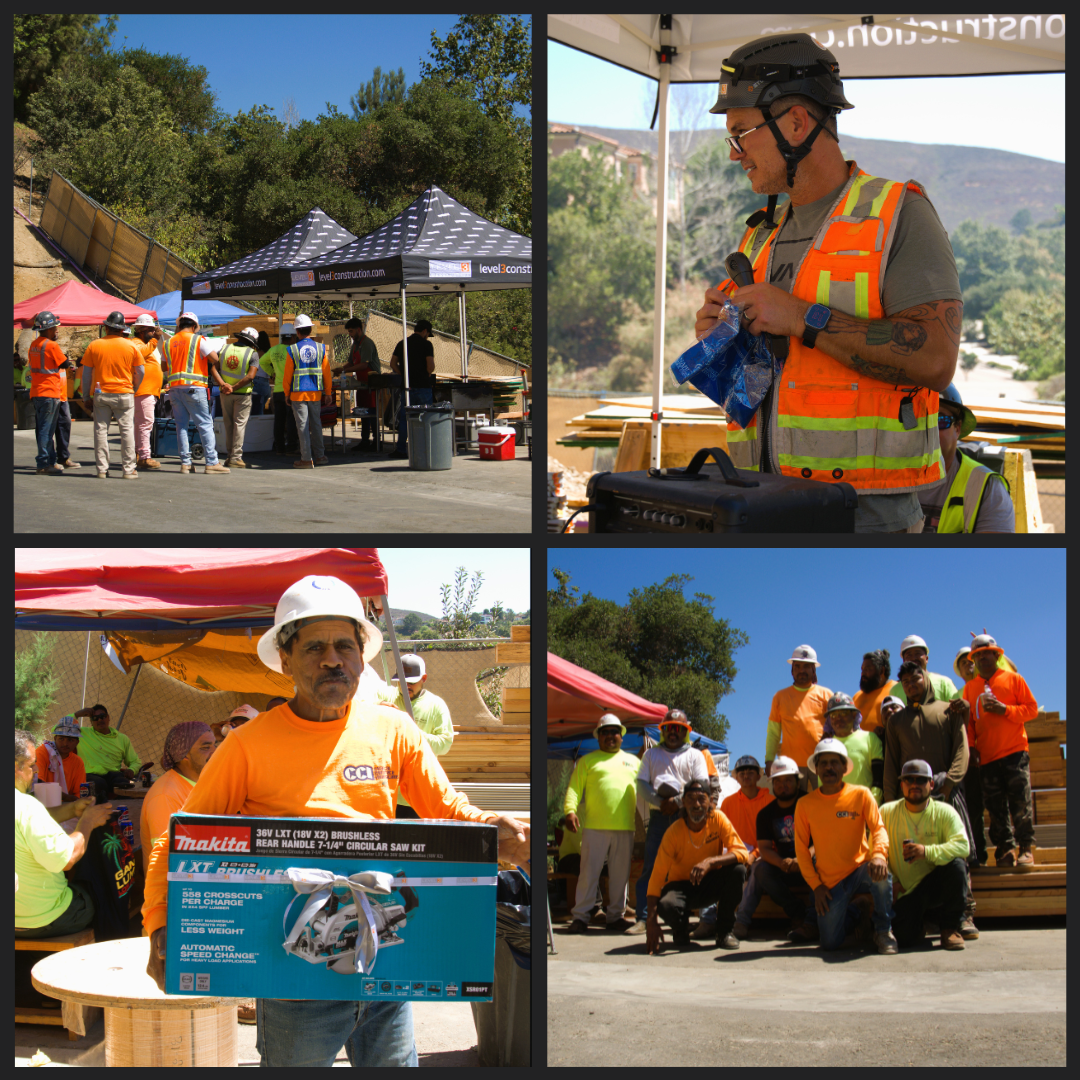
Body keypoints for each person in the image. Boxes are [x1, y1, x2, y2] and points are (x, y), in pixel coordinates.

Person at [141, 574, 529, 1067]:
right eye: (314, 647)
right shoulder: (246, 746)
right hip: (292, 975)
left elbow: (449, 811)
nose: (332, 659)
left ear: (361, 657)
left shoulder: (393, 730)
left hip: (385, 963)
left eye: (345, 645)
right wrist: (158, 923)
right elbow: (178, 839)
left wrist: (495, 828)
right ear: (285, 659)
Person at [696, 33, 960, 534]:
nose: (734, 154)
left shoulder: (899, 214)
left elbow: (935, 360)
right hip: (760, 504)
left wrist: (800, 316)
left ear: (796, 122)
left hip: (865, 518)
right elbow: (768, 389)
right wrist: (720, 343)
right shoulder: (758, 237)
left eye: (741, 134)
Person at [884, 661, 979, 939]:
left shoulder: (948, 710)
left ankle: (963, 915)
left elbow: (962, 749)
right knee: (913, 856)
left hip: (947, 791)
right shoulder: (896, 721)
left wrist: (950, 782)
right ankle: (925, 915)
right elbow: (891, 763)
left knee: (957, 854)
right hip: (910, 797)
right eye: (907, 683)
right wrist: (892, 799)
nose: (912, 686)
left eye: (916, 679)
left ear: (925, 678)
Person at [794, 737, 897, 953]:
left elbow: (878, 828)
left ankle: (883, 930)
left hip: (860, 870)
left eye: (834, 762)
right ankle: (857, 911)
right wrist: (816, 886)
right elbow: (801, 849)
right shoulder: (805, 804)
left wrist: (879, 855)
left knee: (881, 874)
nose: (829, 767)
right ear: (816, 768)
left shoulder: (861, 794)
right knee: (830, 943)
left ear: (844, 767)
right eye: (823, 763)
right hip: (830, 883)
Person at [15, 730, 114, 939]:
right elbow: (67, 859)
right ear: (16, 767)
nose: (36, 770)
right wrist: (87, 822)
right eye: (32, 764)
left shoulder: (23, 807)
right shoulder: (25, 805)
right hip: (40, 919)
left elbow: (26, 822)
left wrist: (71, 809)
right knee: (100, 893)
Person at [628, 709, 710, 934]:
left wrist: (678, 802)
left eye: (678, 728)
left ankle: (706, 919)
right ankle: (643, 919)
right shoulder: (651, 755)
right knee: (651, 868)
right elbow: (642, 784)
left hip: (688, 817)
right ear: (663, 730)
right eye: (669, 728)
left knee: (697, 865)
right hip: (659, 817)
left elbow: (702, 784)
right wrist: (659, 801)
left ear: (686, 731)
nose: (673, 732)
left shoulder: (695, 755)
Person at [645, 778, 750, 953]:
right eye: (691, 798)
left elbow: (743, 853)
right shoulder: (673, 832)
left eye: (701, 798)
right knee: (666, 904)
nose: (696, 804)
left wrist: (710, 861)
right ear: (683, 802)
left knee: (737, 869)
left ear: (710, 801)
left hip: (709, 883)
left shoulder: (718, 819)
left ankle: (724, 932)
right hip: (681, 888)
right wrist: (651, 923)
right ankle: (681, 930)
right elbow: (656, 879)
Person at [962, 633, 1039, 868]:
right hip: (987, 757)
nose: (983, 657)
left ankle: (1025, 848)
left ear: (996, 655)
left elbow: (1031, 709)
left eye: (987, 653)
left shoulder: (1014, 679)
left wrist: (1005, 710)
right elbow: (970, 724)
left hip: (1014, 751)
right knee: (996, 808)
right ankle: (1005, 850)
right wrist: (972, 748)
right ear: (973, 659)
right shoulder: (970, 688)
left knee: (1020, 802)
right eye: (978, 654)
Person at [562, 714, 640, 934]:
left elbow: (646, 790)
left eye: (614, 731)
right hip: (594, 827)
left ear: (621, 736)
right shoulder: (587, 761)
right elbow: (575, 789)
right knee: (588, 873)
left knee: (620, 875)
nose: (610, 736)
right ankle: (580, 917)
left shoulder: (634, 762)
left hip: (625, 828)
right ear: (597, 737)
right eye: (604, 732)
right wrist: (569, 810)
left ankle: (615, 917)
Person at [880, 759, 970, 950]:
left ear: (931, 784)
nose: (914, 784)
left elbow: (963, 846)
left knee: (957, 866)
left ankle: (950, 929)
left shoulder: (945, 811)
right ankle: (924, 921)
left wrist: (926, 852)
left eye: (920, 780)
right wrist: (891, 879)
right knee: (903, 938)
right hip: (905, 891)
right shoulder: (886, 812)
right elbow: (875, 850)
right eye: (909, 779)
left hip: (936, 884)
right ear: (901, 784)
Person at [732, 755, 818, 941]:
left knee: (820, 861)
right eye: (778, 781)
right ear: (772, 784)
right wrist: (781, 862)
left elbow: (821, 841)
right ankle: (744, 922)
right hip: (785, 867)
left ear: (797, 781)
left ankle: (812, 921)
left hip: (810, 864)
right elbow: (764, 848)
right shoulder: (765, 814)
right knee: (759, 868)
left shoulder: (811, 803)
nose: (783, 785)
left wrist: (802, 858)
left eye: (788, 780)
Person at [693, 753, 774, 939]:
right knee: (709, 863)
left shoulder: (769, 801)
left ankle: (741, 922)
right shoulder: (728, 802)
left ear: (759, 775)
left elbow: (773, 839)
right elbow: (721, 834)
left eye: (750, 772)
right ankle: (706, 921)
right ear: (736, 776)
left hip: (761, 853)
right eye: (741, 772)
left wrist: (753, 854)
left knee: (756, 871)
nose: (746, 775)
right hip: (735, 852)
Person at [919, 383, 1015, 532]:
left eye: (940, 420)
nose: (928, 429)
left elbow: (996, 555)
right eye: (918, 418)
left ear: (957, 428)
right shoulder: (882, 478)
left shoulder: (986, 488)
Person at [374, 653, 454, 819]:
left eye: (411, 682)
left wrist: (413, 735)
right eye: (401, 682)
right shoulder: (386, 697)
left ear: (424, 678)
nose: (406, 686)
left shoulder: (435, 706)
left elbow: (445, 744)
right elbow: (361, 709)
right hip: (388, 790)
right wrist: (377, 707)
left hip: (419, 791)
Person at [139, 722, 215, 875]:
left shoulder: (202, 784)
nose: (215, 752)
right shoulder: (165, 796)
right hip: (174, 892)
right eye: (206, 748)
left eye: (215, 745)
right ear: (183, 754)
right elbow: (169, 861)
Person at [80, 311, 144, 479]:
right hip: (124, 393)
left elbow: (86, 374)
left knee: (101, 431)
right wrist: (134, 387)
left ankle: (102, 469)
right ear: (122, 329)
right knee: (127, 430)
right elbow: (140, 371)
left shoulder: (95, 345)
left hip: (102, 394)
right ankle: (129, 470)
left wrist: (86, 396)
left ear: (107, 327)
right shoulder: (131, 346)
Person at [167, 311, 231, 475]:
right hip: (194, 388)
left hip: (174, 389)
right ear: (195, 326)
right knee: (204, 424)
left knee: (181, 426)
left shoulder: (168, 342)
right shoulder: (198, 340)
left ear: (179, 325)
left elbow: (163, 367)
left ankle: (186, 463)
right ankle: (211, 462)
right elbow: (214, 359)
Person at [765, 644, 832, 787]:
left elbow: (836, 730)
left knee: (824, 804)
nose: (802, 670)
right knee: (794, 807)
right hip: (790, 766)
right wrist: (769, 760)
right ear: (791, 670)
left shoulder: (827, 695)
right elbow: (773, 733)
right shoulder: (780, 697)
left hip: (821, 763)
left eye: (807, 666)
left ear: (814, 670)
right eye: (798, 666)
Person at [28, 310, 76, 475]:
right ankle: (43, 463)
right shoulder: (51, 345)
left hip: (37, 392)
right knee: (46, 430)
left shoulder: (34, 345)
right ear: (48, 329)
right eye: (55, 327)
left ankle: (50, 460)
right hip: (50, 392)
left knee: (42, 428)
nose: (57, 330)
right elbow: (64, 364)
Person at [283, 313, 333, 468]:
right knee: (316, 424)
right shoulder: (321, 348)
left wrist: (286, 393)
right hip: (315, 393)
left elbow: (287, 375)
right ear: (311, 329)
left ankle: (306, 458)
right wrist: (329, 392)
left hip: (298, 394)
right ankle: (321, 456)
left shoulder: (292, 350)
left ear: (297, 332)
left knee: (302, 426)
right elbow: (326, 372)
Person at [821, 692, 884, 803]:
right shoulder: (825, 746)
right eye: (833, 715)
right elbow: (821, 784)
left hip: (864, 806)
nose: (838, 719)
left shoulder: (870, 738)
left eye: (844, 713)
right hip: (834, 808)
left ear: (854, 715)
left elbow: (878, 779)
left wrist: (873, 805)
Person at [72, 704, 141, 801]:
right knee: (99, 784)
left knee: (123, 783)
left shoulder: (122, 738)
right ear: (91, 722)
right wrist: (77, 714)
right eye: (95, 718)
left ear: (108, 718)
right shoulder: (82, 733)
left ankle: (125, 813)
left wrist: (132, 770)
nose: (100, 720)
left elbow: (135, 761)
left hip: (113, 775)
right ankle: (102, 814)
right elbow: (58, 728)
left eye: (102, 716)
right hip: (91, 774)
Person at [388, 319, 435, 460]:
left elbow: (392, 363)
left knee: (405, 419)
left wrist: (403, 374)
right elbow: (430, 366)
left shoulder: (402, 343)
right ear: (425, 331)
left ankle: (401, 449)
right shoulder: (427, 344)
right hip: (423, 387)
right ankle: (425, 448)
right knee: (426, 417)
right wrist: (426, 373)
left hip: (407, 387)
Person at [215, 326, 262, 468]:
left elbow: (213, 368)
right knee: (239, 425)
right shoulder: (252, 353)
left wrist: (224, 385)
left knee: (228, 424)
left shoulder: (223, 349)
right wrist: (234, 388)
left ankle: (229, 456)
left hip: (225, 393)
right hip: (242, 394)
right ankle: (236, 457)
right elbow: (251, 376)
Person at [130, 313, 166, 470]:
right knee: (145, 423)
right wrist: (155, 340)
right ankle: (144, 456)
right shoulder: (137, 343)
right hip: (143, 391)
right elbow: (140, 354)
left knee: (143, 424)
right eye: (151, 330)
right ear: (141, 330)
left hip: (148, 391)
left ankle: (140, 454)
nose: (154, 333)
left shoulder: (145, 343)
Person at [340, 317, 382, 451]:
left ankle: (377, 441)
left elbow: (364, 364)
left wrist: (346, 370)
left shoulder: (367, 343)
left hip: (372, 384)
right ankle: (364, 441)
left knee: (372, 413)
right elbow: (351, 363)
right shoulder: (355, 345)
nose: (350, 335)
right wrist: (341, 369)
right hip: (361, 384)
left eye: (351, 331)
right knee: (363, 413)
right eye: (349, 332)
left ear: (359, 329)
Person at [259, 323, 300, 454]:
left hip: (277, 390)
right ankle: (292, 446)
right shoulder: (294, 350)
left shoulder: (274, 350)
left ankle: (279, 447)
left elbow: (262, 361)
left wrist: (271, 373)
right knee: (291, 419)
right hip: (290, 390)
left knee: (279, 420)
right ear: (293, 337)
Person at [891, 635, 960, 705]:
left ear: (926, 658)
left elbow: (957, 710)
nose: (913, 658)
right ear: (904, 661)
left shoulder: (944, 683)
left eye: (918, 653)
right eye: (909, 655)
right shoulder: (895, 690)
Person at [34, 717, 87, 803]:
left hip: (66, 806)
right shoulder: (42, 752)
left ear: (77, 742)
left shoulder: (77, 762)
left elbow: (79, 793)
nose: (65, 743)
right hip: (42, 803)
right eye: (61, 738)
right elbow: (37, 785)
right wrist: (66, 797)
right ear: (55, 738)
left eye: (70, 740)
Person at [852, 649, 898, 739]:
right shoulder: (857, 696)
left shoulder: (896, 689)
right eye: (862, 669)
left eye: (868, 669)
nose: (863, 674)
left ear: (881, 671)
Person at [251, 331, 274, 416]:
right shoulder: (269, 354)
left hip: (257, 383)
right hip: (266, 384)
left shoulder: (255, 354)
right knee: (260, 410)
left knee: (256, 413)